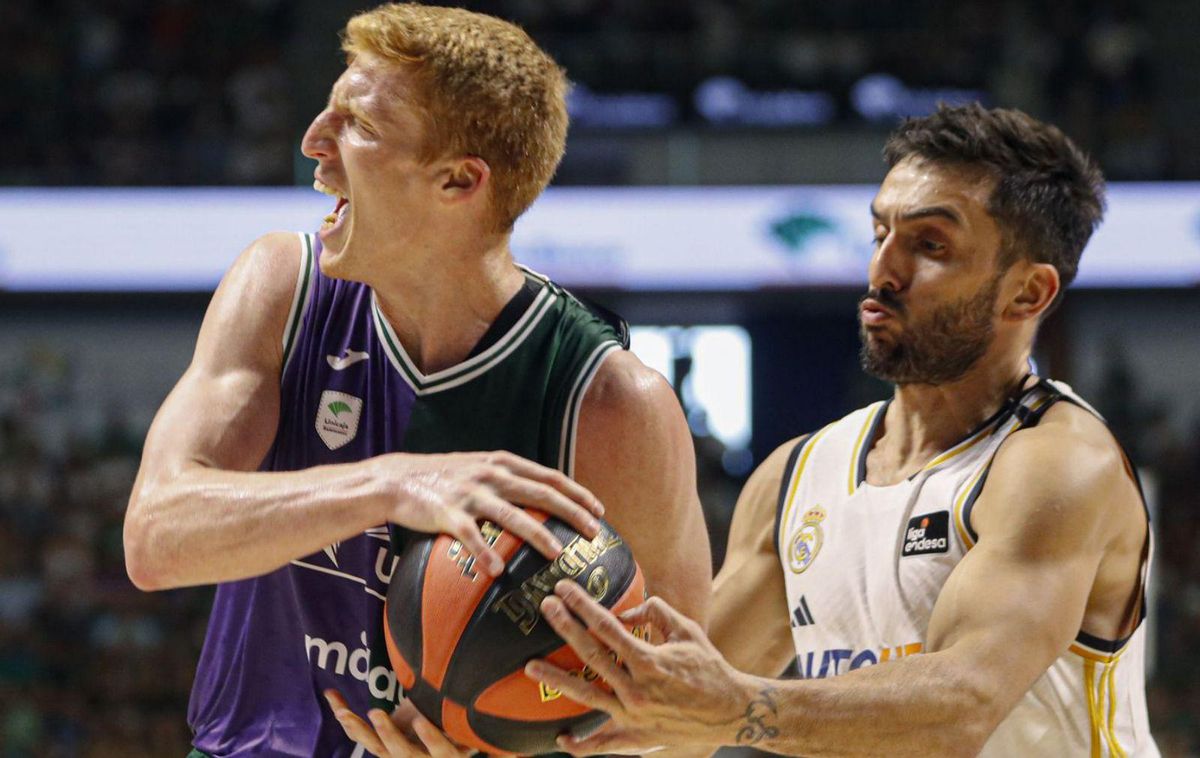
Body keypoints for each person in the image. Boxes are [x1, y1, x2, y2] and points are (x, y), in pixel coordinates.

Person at [122, 4, 711, 756]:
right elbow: (155, 535)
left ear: (458, 182)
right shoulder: (283, 286)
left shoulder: (608, 400)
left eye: (357, 127)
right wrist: (391, 484)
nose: (313, 144)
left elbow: (681, 724)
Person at [527, 103, 1159, 757]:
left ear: (1027, 293)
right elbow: (659, 706)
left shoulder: (1058, 463)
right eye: (880, 233)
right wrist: (465, 725)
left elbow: (962, 706)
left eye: (930, 245)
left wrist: (742, 709)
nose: (883, 271)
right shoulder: (797, 477)